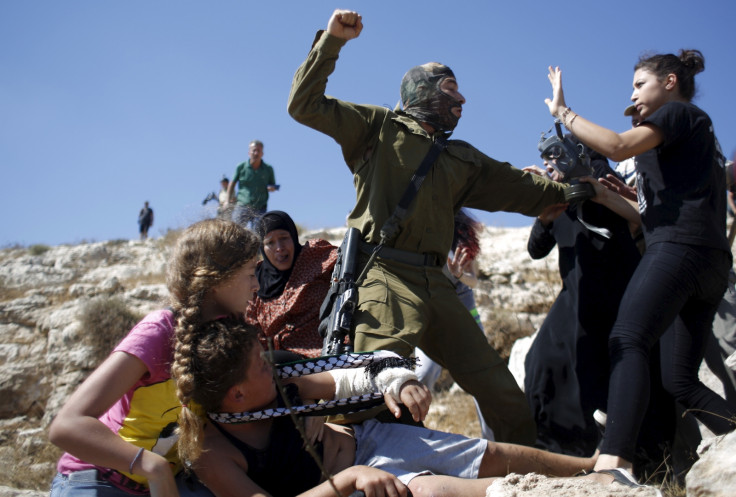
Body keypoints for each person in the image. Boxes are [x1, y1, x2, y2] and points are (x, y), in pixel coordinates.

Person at [287, 9, 569, 446]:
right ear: (423, 90)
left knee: (502, 393)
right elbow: (304, 104)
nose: (462, 99)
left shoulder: (461, 158)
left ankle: (528, 474)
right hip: (383, 276)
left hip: (437, 284)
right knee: (368, 390)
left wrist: (575, 191)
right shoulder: (378, 128)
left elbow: (520, 187)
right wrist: (332, 42)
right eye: (450, 88)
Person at [543, 50, 736, 485]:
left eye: (638, 85)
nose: (632, 97)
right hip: (704, 262)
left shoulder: (682, 114)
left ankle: (615, 461)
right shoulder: (681, 143)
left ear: (669, 82)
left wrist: (562, 111)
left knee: (627, 339)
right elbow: (644, 216)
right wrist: (601, 193)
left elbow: (615, 145)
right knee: (680, 381)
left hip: (679, 251)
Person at [172, 316, 598, 497]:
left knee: (487, 454)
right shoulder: (212, 450)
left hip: (370, 440)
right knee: (433, 490)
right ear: (237, 396)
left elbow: (347, 379)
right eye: (259, 367)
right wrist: (350, 479)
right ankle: (582, 493)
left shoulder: (279, 383)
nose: (272, 367)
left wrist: (397, 380)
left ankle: (591, 468)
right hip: (352, 484)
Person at [48, 218, 261, 497]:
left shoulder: (231, 330)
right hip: (98, 479)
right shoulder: (159, 330)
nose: (257, 285)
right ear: (217, 280)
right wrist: (153, 466)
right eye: (250, 273)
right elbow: (66, 426)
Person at [523, 139, 643, 458]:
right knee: (542, 361)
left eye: (557, 159)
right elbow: (536, 249)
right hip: (575, 296)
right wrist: (545, 213)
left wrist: (577, 175)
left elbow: (602, 176)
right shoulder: (559, 201)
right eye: (548, 161)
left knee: (599, 371)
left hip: (614, 294)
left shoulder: (603, 186)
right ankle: (556, 446)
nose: (551, 166)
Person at [415, 209, 494, 440]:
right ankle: (412, 434)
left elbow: (474, 280)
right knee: (421, 376)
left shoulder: (460, 239)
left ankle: (493, 444)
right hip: (433, 323)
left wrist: (459, 275)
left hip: (466, 322)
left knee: (484, 387)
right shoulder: (417, 237)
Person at [246, 210, 337, 358]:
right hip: (277, 364)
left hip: (322, 356)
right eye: (270, 242)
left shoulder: (315, 257)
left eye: (284, 238)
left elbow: (350, 265)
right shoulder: (255, 280)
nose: (279, 247)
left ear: (293, 237)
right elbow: (253, 333)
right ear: (262, 247)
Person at [225, 140, 278, 228]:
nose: (256, 153)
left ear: (262, 153)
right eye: (254, 150)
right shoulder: (241, 167)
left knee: (259, 234)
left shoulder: (268, 169)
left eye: (258, 151)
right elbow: (232, 184)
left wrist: (272, 188)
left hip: (260, 208)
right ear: (249, 152)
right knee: (236, 230)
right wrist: (227, 201)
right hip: (242, 205)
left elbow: (272, 185)